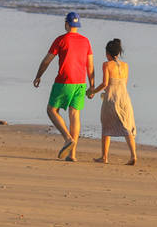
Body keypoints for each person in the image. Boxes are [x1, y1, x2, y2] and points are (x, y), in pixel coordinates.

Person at [33, 11, 94, 161]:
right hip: (80, 83)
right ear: (77, 25)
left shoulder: (61, 40)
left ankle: (68, 139)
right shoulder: (86, 41)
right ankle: (72, 155)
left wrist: (38, 75)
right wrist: (92, 86)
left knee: (51, 110)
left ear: (66, 24)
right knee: (75, 115)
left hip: (64, 81)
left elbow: (47, 60)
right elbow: (90, 66)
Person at [87, 38, 137, 165]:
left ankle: (104, 156)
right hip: (125, 99)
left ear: (108, 53)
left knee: (106, 127)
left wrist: (92, 91)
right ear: (119, 53)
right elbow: (124, 83)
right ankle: (133, 156)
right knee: (127, 128)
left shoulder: (106, 65)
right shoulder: (126, 66)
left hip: (111, 99)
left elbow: (105, 83)